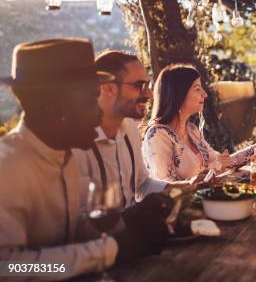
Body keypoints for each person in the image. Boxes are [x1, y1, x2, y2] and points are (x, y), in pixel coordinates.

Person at [0, 39, 171, 279]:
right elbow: (8, 268)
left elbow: (71, 231)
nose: (99, 111)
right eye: (91, 100)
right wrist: (110, 251)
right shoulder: (8, 167)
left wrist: (128, 221)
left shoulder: (64, 157)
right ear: (56, 106)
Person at [73, 51, 199, 209]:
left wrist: (176, 188)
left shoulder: (130, 127)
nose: (150, 94)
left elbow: (142, 183)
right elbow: (80, 217)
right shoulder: (77, 146)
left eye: (148, 85)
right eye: (139, 86)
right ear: (108, 89)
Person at [143, 64, 256, 181]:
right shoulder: (157, 135)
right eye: (197, 89)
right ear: (178, 94)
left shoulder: (192, 131)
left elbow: (226, 162)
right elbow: (167, 187)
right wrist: (215, 167)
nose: (204, 94)